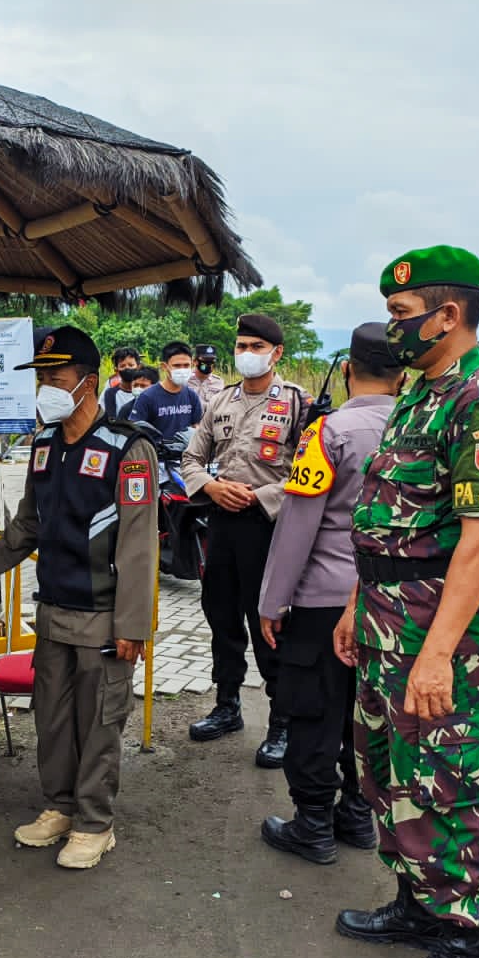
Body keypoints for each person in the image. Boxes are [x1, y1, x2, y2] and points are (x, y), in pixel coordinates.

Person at [332, 246, 479, 958]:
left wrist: (439, 654)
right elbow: (385, 520)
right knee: (385, 773)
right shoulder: (420, 395)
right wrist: (356, 602)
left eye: (405, 316)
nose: (394, 328)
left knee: (441, 787)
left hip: (441, 636)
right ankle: (418, 901)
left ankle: (464, 943)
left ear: (450, 316)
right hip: (386, 622)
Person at [0, 326, 158, 870]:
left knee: (99, 724)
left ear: (90, 382)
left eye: (56, 378)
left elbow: (138, 546)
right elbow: (26, 528)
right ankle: (59, 806)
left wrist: (134, 627)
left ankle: (94, 822)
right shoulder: (43, 446)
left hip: (104, 619)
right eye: (42, 379)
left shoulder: (128, 448)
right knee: (53, 720)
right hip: (54, 612)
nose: (47, 389)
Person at [256, 322, 402, 863]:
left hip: (322, 600)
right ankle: (358, 816)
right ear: (403, 373)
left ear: (346, 371)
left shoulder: (328, 433)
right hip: (390, 604)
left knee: (314, 710)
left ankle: (313, 825)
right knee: (368, 714)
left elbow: (297, 524)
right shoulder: (422, 429)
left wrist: (272, 602)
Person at [181, 314, 310, 768]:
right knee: (221, 616)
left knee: (269, 624)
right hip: (221, 524)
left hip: (270, 527)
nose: (246, 353)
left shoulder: (298, 403)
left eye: (256, 345)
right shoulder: (220, 400)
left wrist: (262, 495)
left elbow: (309, 472)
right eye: (241, 345)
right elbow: (191, 457)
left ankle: (282, 720)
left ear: (276, 353)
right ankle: (227, 704)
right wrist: (212, 488)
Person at [128, 341, 204, 441]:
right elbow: (135, 430)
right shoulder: (147, 397)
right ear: (164, 367)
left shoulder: (191, 396)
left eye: (186, 365)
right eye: (177, 366)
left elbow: (197, 425)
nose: (182, 370)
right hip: (157, 454)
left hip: (186, 454)